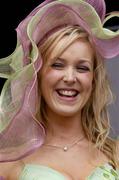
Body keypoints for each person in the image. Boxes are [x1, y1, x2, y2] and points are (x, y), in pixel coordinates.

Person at [0, 0, 119, 179]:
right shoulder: (9, 162)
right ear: (37, 76)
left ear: (93, 80)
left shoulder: (115, 154)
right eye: (57, 65)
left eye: (82, 68)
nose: (70, 78)